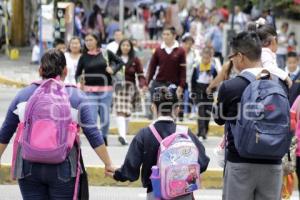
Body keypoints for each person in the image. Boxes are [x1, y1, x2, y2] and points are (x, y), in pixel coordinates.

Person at [0, 49, 114, 199]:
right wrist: (108, 163)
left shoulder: (22, 96)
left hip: (28, 167)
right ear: (65, 71)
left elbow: (5, 134)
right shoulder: (77, 97)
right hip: (64, 167)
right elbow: (92, 134)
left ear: (40, 70)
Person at [213, 31, 287, 200]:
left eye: (232, 56)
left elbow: (218, 119)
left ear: (240, 56)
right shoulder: (280, 83)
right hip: (273, 164)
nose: (231, 60)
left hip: (240, 163)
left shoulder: (230, 86)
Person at [105, 86, 210, 200]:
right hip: (184, 193)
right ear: (177, 108)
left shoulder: (144, 134)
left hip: (156, 194)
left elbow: (130, 170)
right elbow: (203, 162)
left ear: (153, 108)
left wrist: (117, 174)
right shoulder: (185, 133)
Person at [75, 33, 124, 146]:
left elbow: (120, 62)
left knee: (105, 117)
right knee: (91, 117)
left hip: (106, 90)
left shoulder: (105, 53)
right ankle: (96, 138)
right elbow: (77, 74)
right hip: (89, 91)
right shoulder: (84, 57)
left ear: (96, 41)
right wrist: (78, 84)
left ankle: (104, 136)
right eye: (86, 40)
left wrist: (113, 69)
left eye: (90, 39)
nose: (88, 42)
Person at [114, 39, 148, 145]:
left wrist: (143, 85)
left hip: (131, 88)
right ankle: (122, 136)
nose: (125, 47)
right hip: (118, 87)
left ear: (131, 47)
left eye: (127, 45)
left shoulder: (135, 60)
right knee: (120, 110)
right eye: (123, 45)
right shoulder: (115, 59)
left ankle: (123, 133)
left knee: (127, 112)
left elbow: (140, 75)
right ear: (120, 47)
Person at [147, 27, 186, 99]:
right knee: (156, 107)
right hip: (159, 83)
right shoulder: (158, 50)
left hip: (174, 85)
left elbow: (183, 71)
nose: (165, 36)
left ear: (174, 36)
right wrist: (147, 83)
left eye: (168, 34)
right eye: (164, 34)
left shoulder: (181, 51)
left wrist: (181, 85)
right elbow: (152, 68)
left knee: (171, 108)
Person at [191, 47, 217, 140]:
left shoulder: (213, 68)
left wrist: (213, 90)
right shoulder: (197, 67)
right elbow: (193, 81)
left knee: (207, 112)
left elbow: (216, 81)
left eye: (207, 58)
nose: (205, 60)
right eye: (204, 58)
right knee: (201, 112)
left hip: (209, 92)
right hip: (199, 90)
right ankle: (201, 132)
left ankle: (205, 130)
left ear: (210, 57)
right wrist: (193, 92)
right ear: (201, 57)